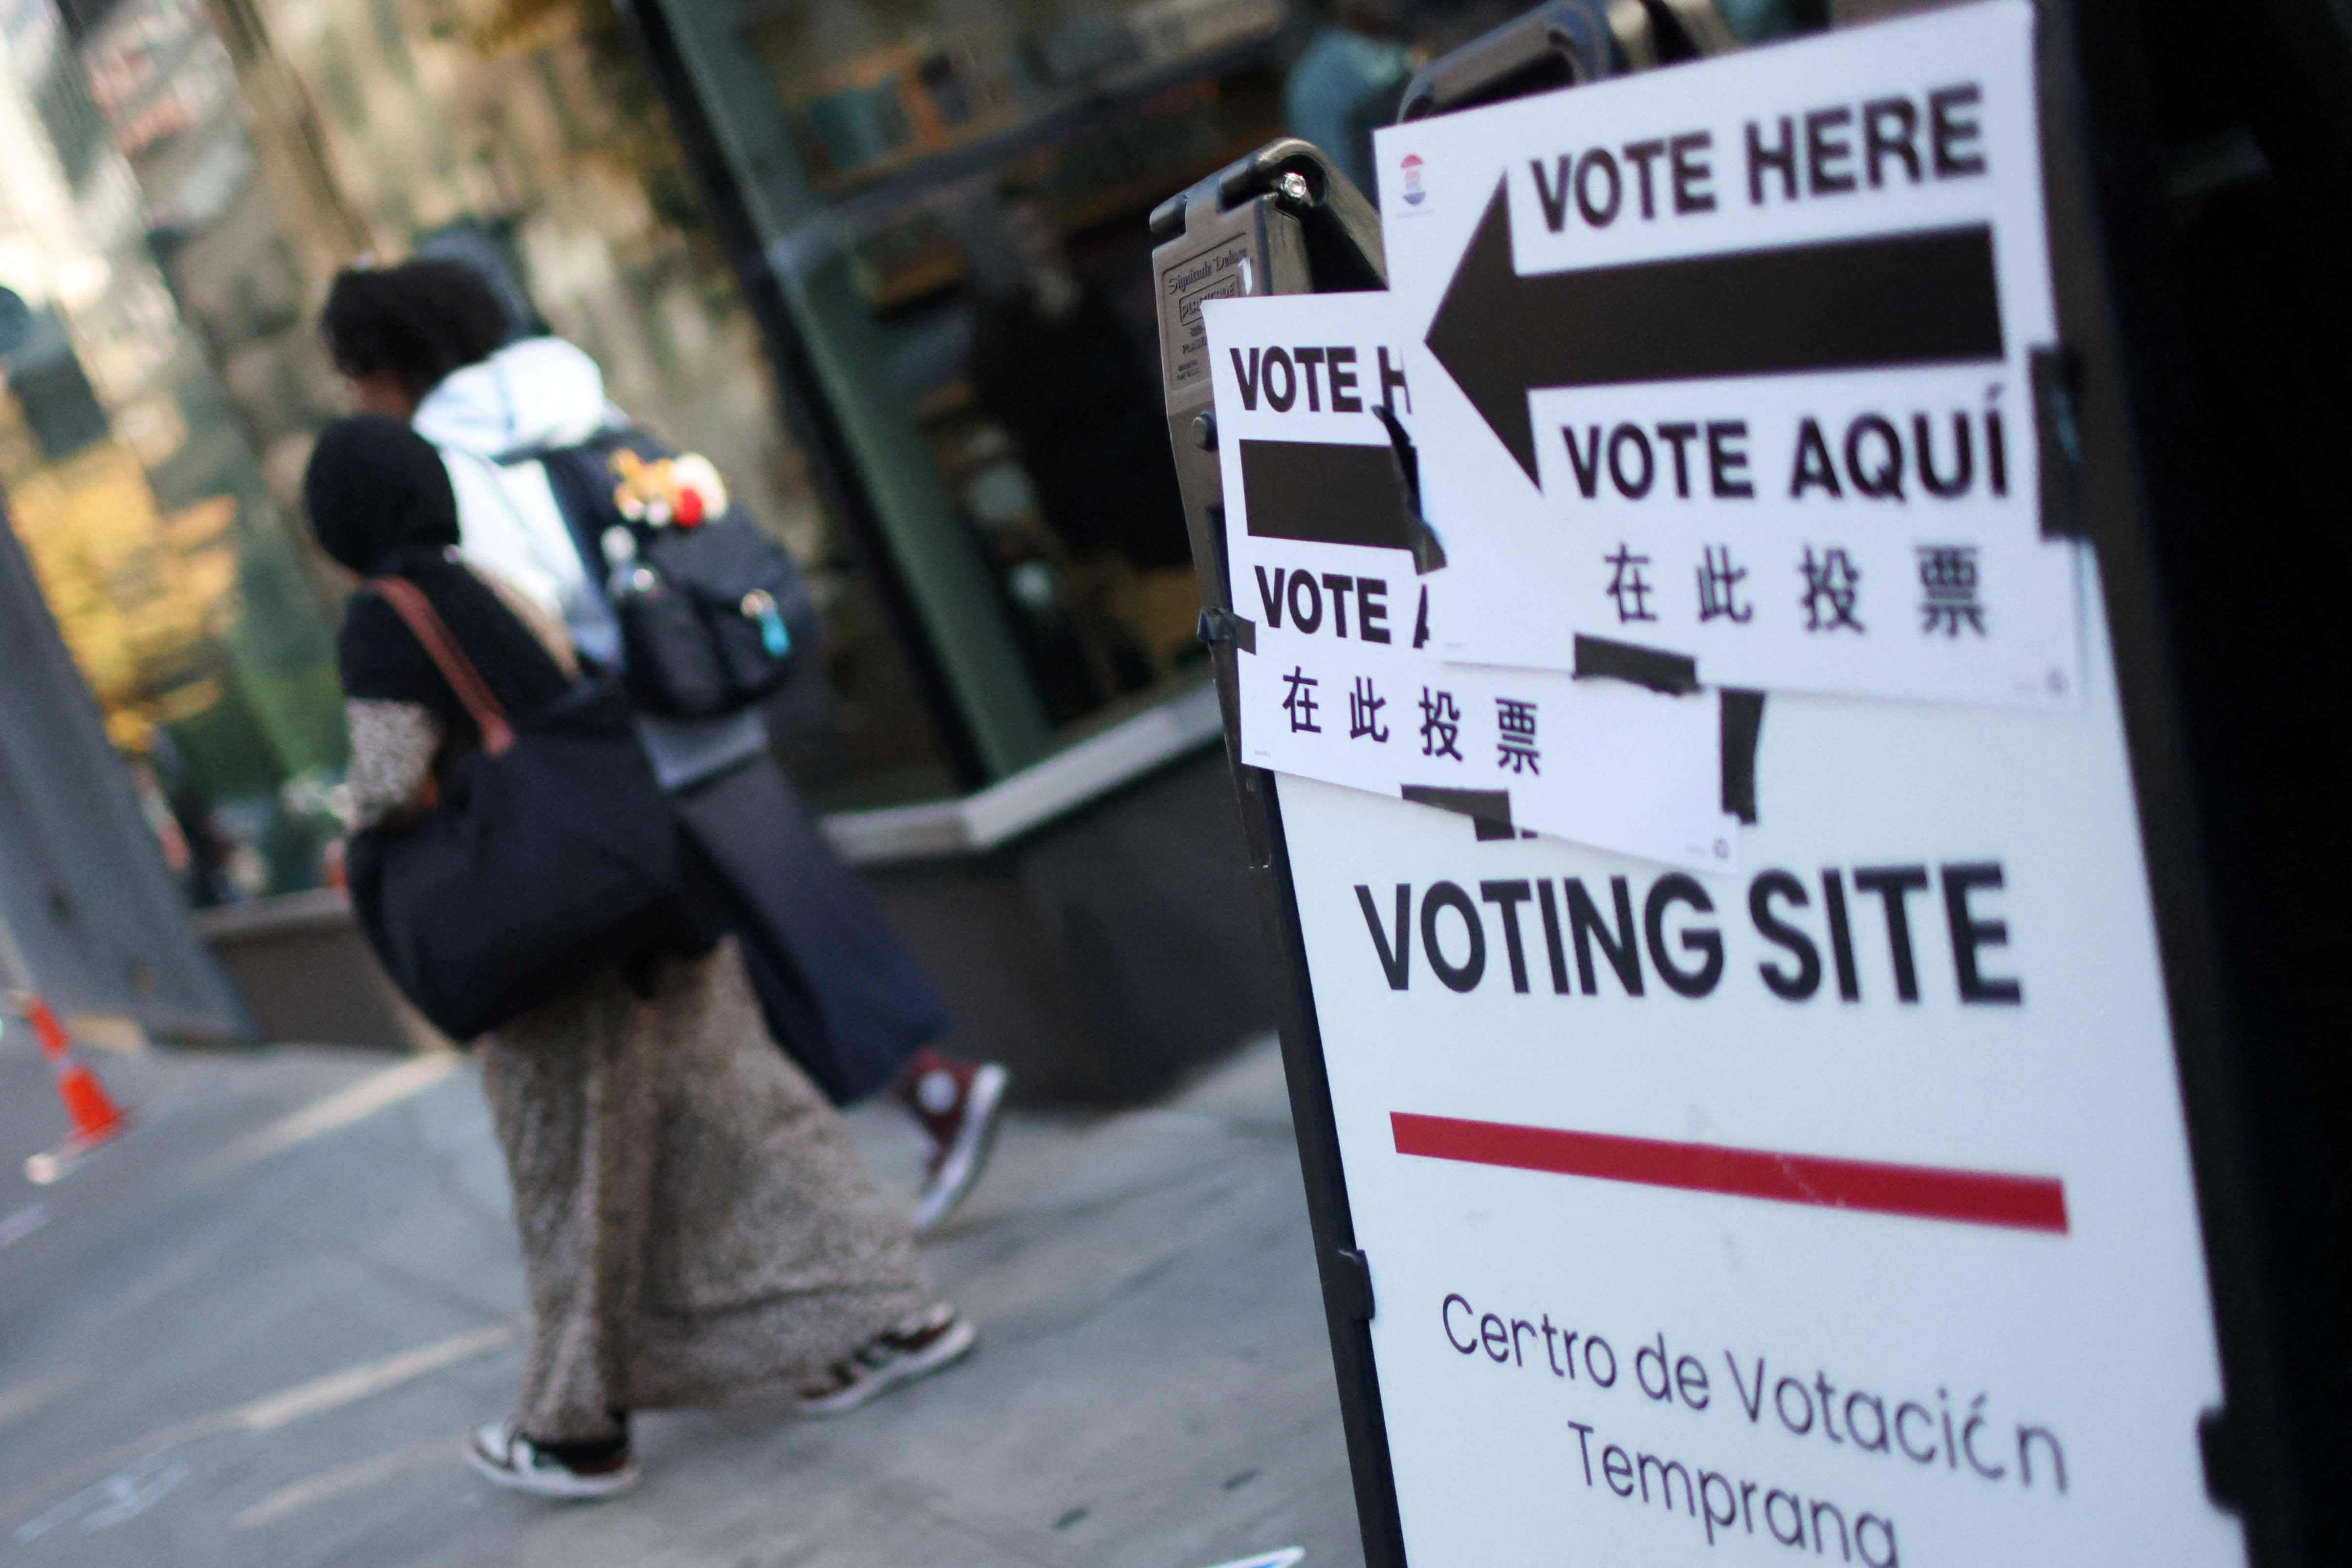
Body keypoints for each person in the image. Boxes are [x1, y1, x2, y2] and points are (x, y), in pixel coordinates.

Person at [305, 417, 975, 1497]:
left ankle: (577, 1430)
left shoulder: (384, 618)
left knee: (569, 1182)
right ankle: (898, 1314)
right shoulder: (494, 583)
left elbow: (390, 779)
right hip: (647, 894)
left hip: (549, 947)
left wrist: (360, 836)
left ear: (341, 519)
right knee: (752, 1121)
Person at [319, 259, 1007, 1234]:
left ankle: (918, 1111)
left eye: (356, 373)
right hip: (709, 703)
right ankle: (926, 1099)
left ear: (390, 365)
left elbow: (530, 611)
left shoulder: (452, 458)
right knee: (797, 923)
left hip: (630, 747)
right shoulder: (570, 396)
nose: (358, 397)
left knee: (734, 982)